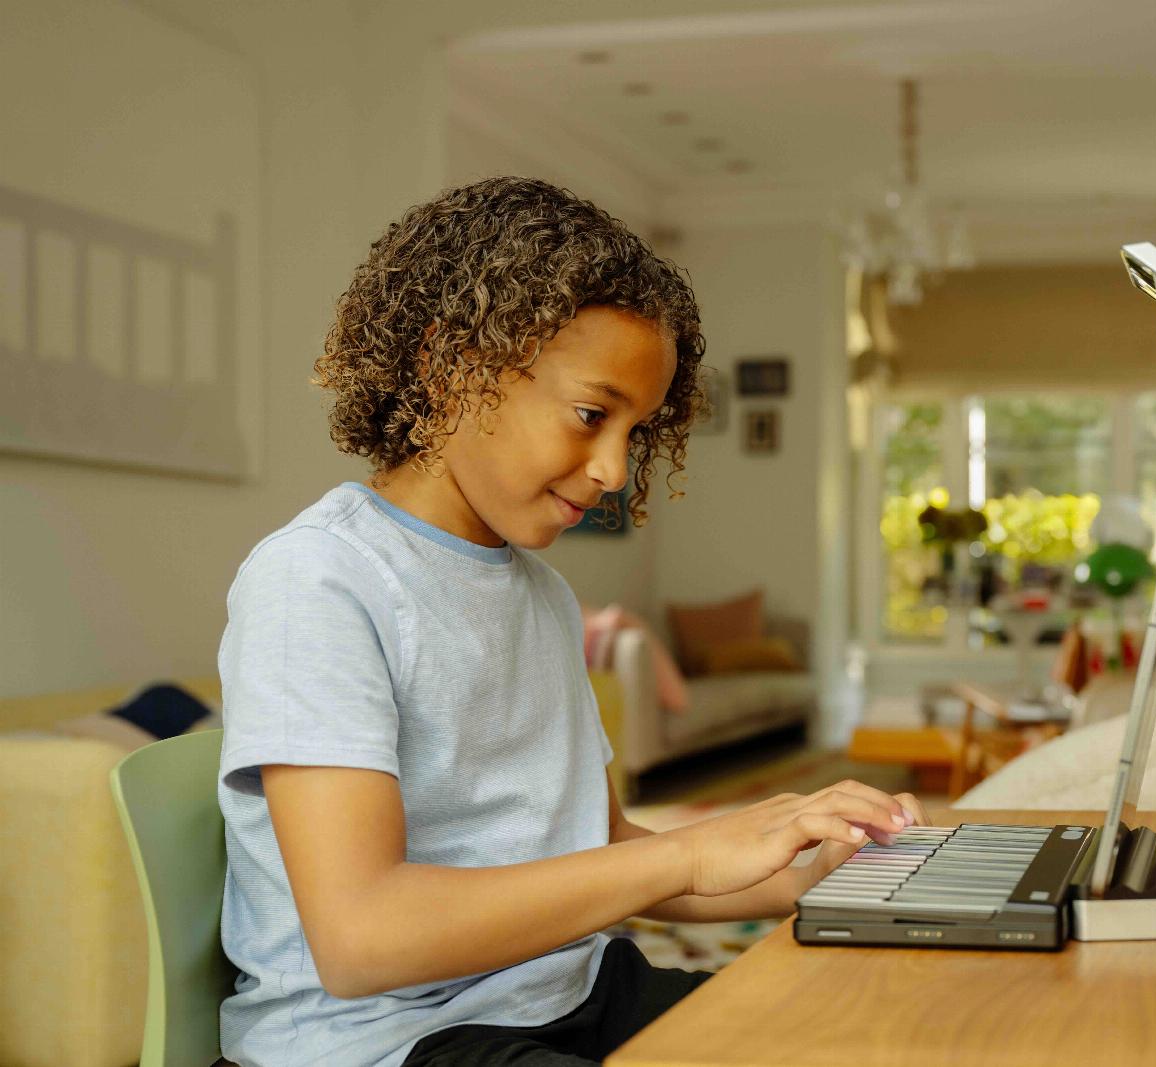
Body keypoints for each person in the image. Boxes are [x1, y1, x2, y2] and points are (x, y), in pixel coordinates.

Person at [216, 176, 927, 1067]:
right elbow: (364, 939)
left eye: (636, 431)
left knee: (876, 1031)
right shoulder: (318, 579)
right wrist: (693, 853)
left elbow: (605, 845)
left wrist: (810, 867)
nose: (615, 471)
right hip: (388, 1042)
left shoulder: (543, 595)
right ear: (450, 369)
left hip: (566, 992)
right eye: (593, 415)